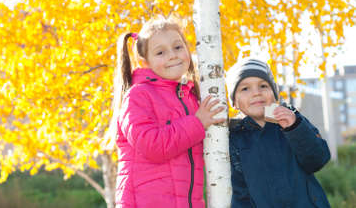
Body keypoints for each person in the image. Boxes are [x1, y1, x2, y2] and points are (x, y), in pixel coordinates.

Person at [106, 15, 225, 208]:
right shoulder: (138, 96)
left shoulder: (189, 96)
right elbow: (152, 145)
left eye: (178, 47)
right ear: (144, 62)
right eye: (160, 52)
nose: (172, 55)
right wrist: (198, 122)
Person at [226, 57, 331, 207]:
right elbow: (240, 193)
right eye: (245, 88)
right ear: (234, 102)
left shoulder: (292, 118)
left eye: (263, 86)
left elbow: (319, 159)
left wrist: (295, 128)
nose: (256, 93)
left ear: (274, 93)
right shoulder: (236, 137)